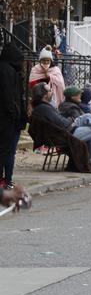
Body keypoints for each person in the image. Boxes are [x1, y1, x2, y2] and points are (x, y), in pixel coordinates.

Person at [29, 83, 91, 173]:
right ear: (44, 95)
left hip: (65, 131)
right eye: (50, 90)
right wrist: (71, 120)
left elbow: (59, 121)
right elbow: (62, 123)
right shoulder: (45, 108)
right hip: (66, 133)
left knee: (89, 119)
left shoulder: (43, 107)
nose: (52, 92)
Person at [0, 41, 27, 190]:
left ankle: (6, 179)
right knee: (7, 150)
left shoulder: (9, 70)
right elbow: (9, 96)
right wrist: (14, 113)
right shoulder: (8, 72)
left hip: (10, 117)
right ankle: (6, 179)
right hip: (8, 119)